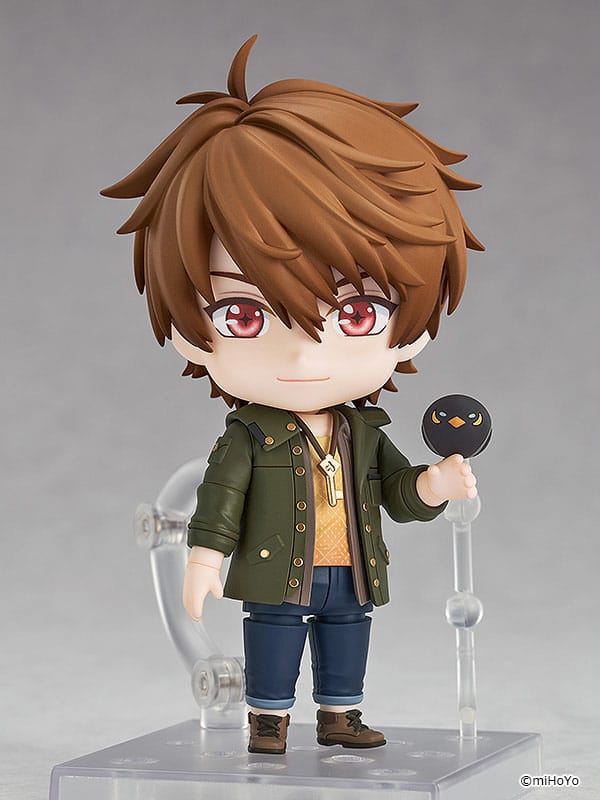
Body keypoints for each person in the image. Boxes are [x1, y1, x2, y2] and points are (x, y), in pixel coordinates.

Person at [101, 35, 483, 754]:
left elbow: (395, 492)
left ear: (414, 324)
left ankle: (340, 714)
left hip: (351, 573)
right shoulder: (247, 436)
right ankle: (268, 718)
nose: (305, 353)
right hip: (277, 574)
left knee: (348, 637)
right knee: (274, 639)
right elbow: (220, 500)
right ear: (189, 332)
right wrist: (205, 559)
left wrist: (433, 484)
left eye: (358, 313)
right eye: (243, 315)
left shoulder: (364, 431)